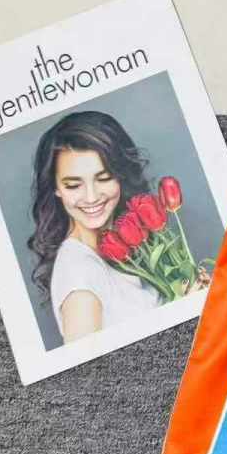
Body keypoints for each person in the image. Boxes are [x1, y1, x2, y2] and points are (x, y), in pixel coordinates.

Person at [27, 109, 162, 344]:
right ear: (56, 188)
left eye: (104, 178)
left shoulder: (122, 246)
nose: (91, 197)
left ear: (120, 176)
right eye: (73, 185)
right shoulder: (79, 277)